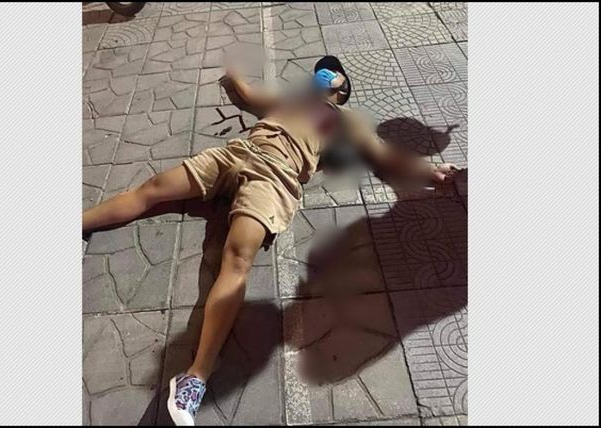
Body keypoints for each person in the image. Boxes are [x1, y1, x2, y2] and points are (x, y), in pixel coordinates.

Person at [82, 56, 458, 426]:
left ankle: (196, 376)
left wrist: (429, 171)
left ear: (342, 87)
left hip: (276, 177)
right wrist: (231, 71)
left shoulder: (347, 119)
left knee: (237, 258)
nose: (321, 75)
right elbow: (248, 95)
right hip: (237, 153)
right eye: (319, 71)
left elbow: (385, 156)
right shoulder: (292, 98)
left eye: (330, 72)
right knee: (152, 189)